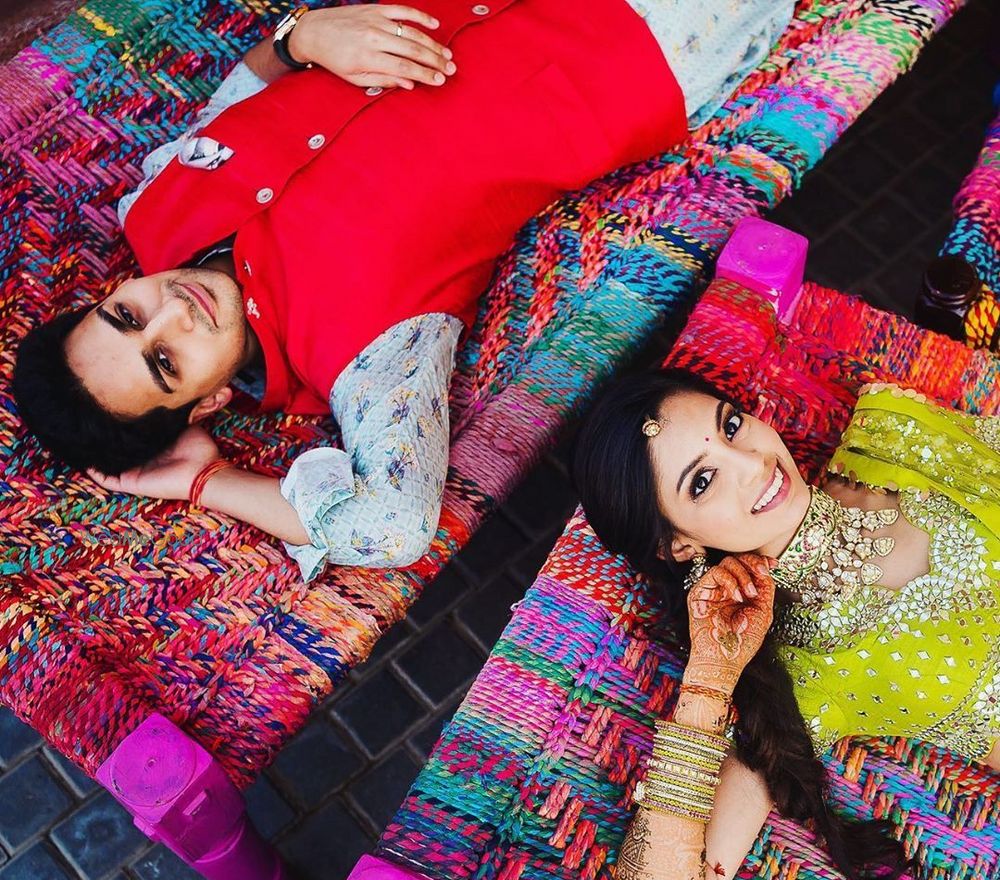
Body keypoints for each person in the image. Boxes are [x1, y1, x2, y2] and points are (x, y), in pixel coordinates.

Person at [13, 1, 794, 580]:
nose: (172, 314)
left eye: (126, 314)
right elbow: (395, 524)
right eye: (164, 363)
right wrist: (207, 481)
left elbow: (242, 89)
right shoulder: (368, 351)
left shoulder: (154, 203)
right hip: (638, 34)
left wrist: (302, 39)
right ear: (209, 404)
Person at [572, 368, 1000, 880]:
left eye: (731, 426)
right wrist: (709, 678)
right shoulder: (796, 682)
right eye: (702, 483)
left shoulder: (890, 429)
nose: (752, 464)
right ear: (679, 544)